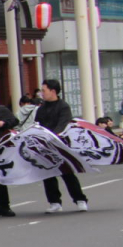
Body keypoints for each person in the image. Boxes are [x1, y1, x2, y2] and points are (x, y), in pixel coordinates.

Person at [37, 79, 89, 213]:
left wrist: (54, 136)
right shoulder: (41, 108)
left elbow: (63, 124)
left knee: (67, 173)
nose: (41, 93)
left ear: (53, 91)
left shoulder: (63, 106)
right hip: (45, 145)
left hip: (60, 145)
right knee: (47, 174)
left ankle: (80, 199)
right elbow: (37, 125)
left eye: (44, 90)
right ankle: (54, 202)